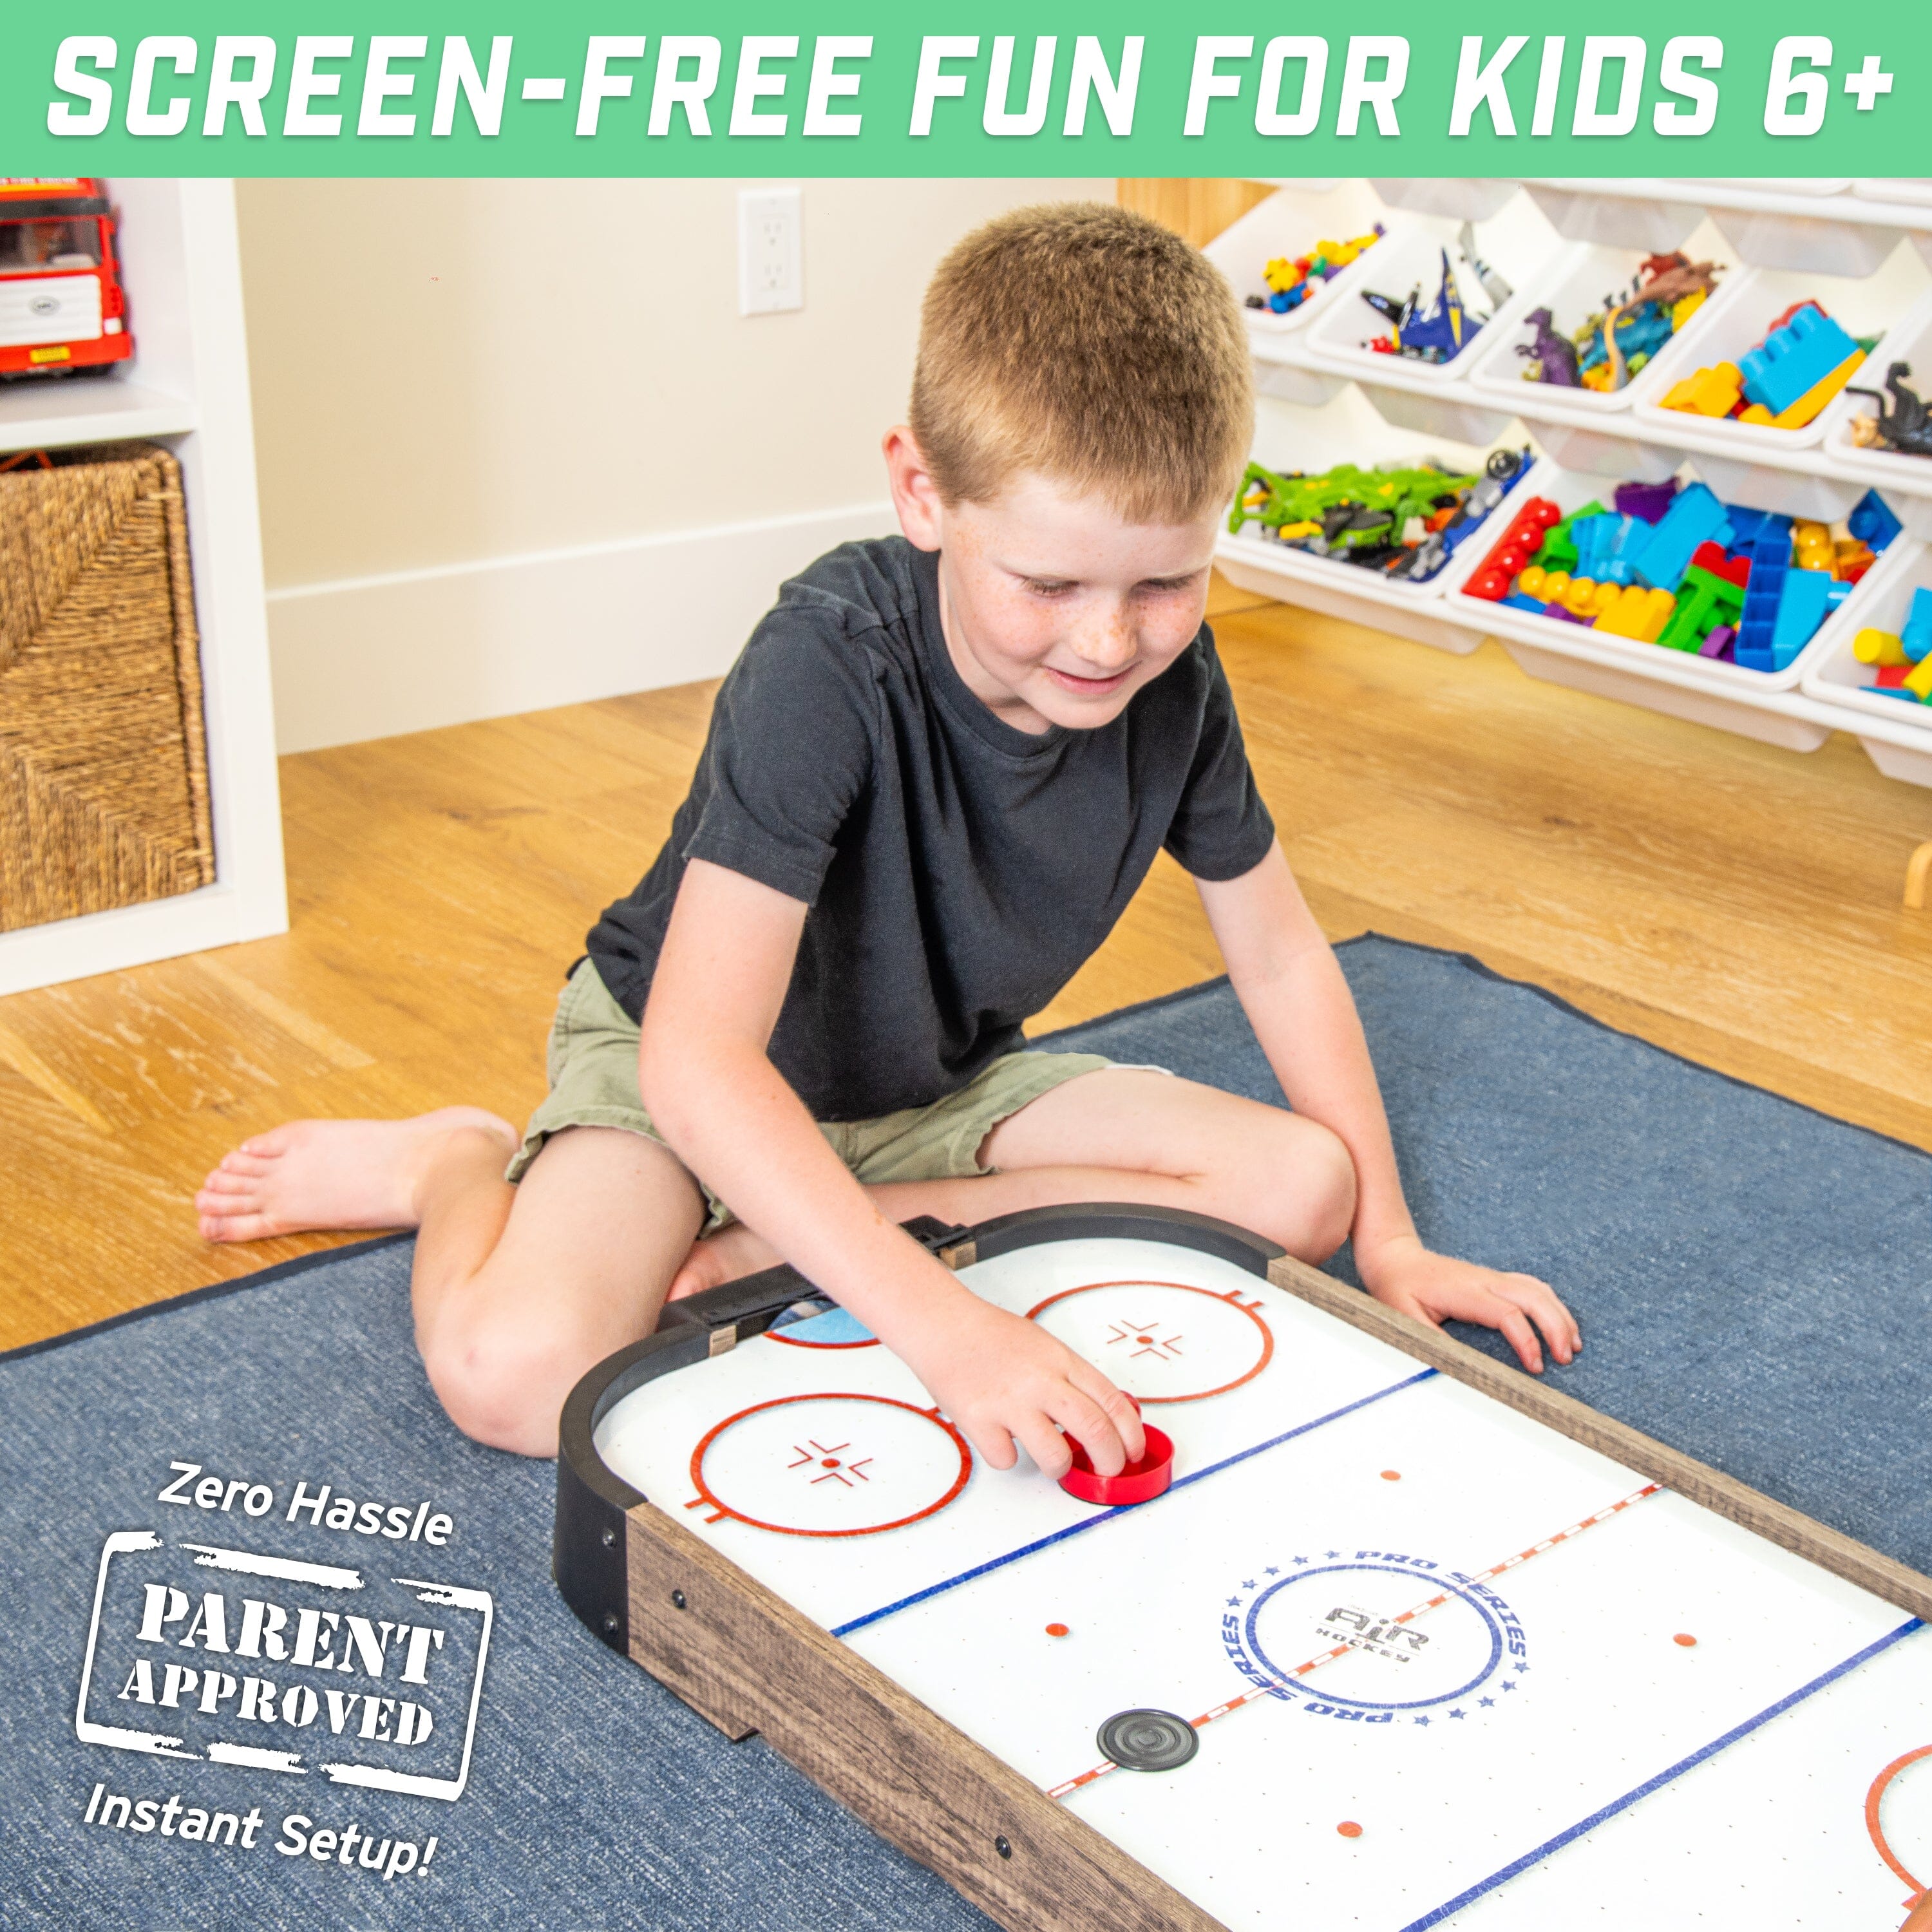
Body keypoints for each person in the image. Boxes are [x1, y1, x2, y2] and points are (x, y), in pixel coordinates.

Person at [195, 202, 1577, 1467]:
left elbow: (1277, 960)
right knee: (519, 1377)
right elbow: (698, 1057)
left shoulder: (1178, 685)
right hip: (684, 1082)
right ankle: (454, 1166)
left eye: (1166, 581)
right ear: (923, 493)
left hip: (934, 1095)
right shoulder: (825, 661)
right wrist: (948, 1330)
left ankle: (794, 1239)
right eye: (1048, 581)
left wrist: (1390, 1242)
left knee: (1304, 1187)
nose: (1109, 640)